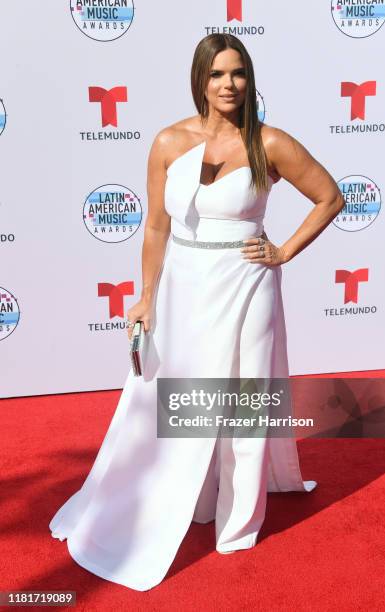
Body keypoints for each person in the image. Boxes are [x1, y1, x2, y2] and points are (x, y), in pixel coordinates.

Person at [49, 33, 344, 591]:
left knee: (244, 398)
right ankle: (197, 500)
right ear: (200, 80)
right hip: (184, 285)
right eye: (216, 75)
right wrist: (145, 295)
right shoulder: (168, 141)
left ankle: (237, 526)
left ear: (249, 79)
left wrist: (282, 251)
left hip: (247, 282)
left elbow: (330, 196)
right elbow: (156, 226)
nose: (228, 85)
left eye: (237, 74)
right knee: (176, 397)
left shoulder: (270, 142)